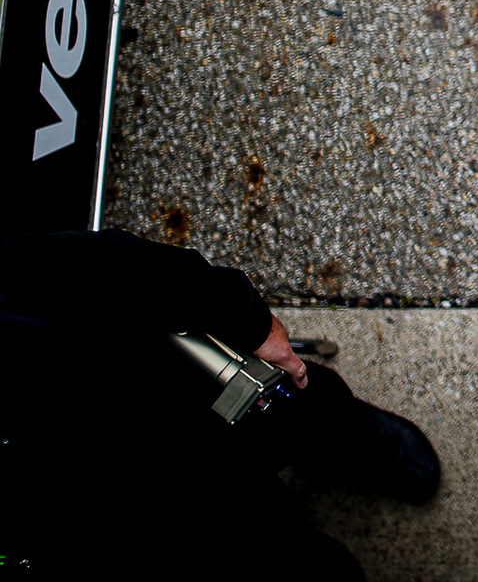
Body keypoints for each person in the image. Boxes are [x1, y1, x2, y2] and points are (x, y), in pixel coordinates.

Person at [0, 228, 439, 578]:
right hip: (128, 527)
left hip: (172, 389)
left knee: (297, 405)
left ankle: (346, 437)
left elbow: (98, 265)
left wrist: (247, 320)